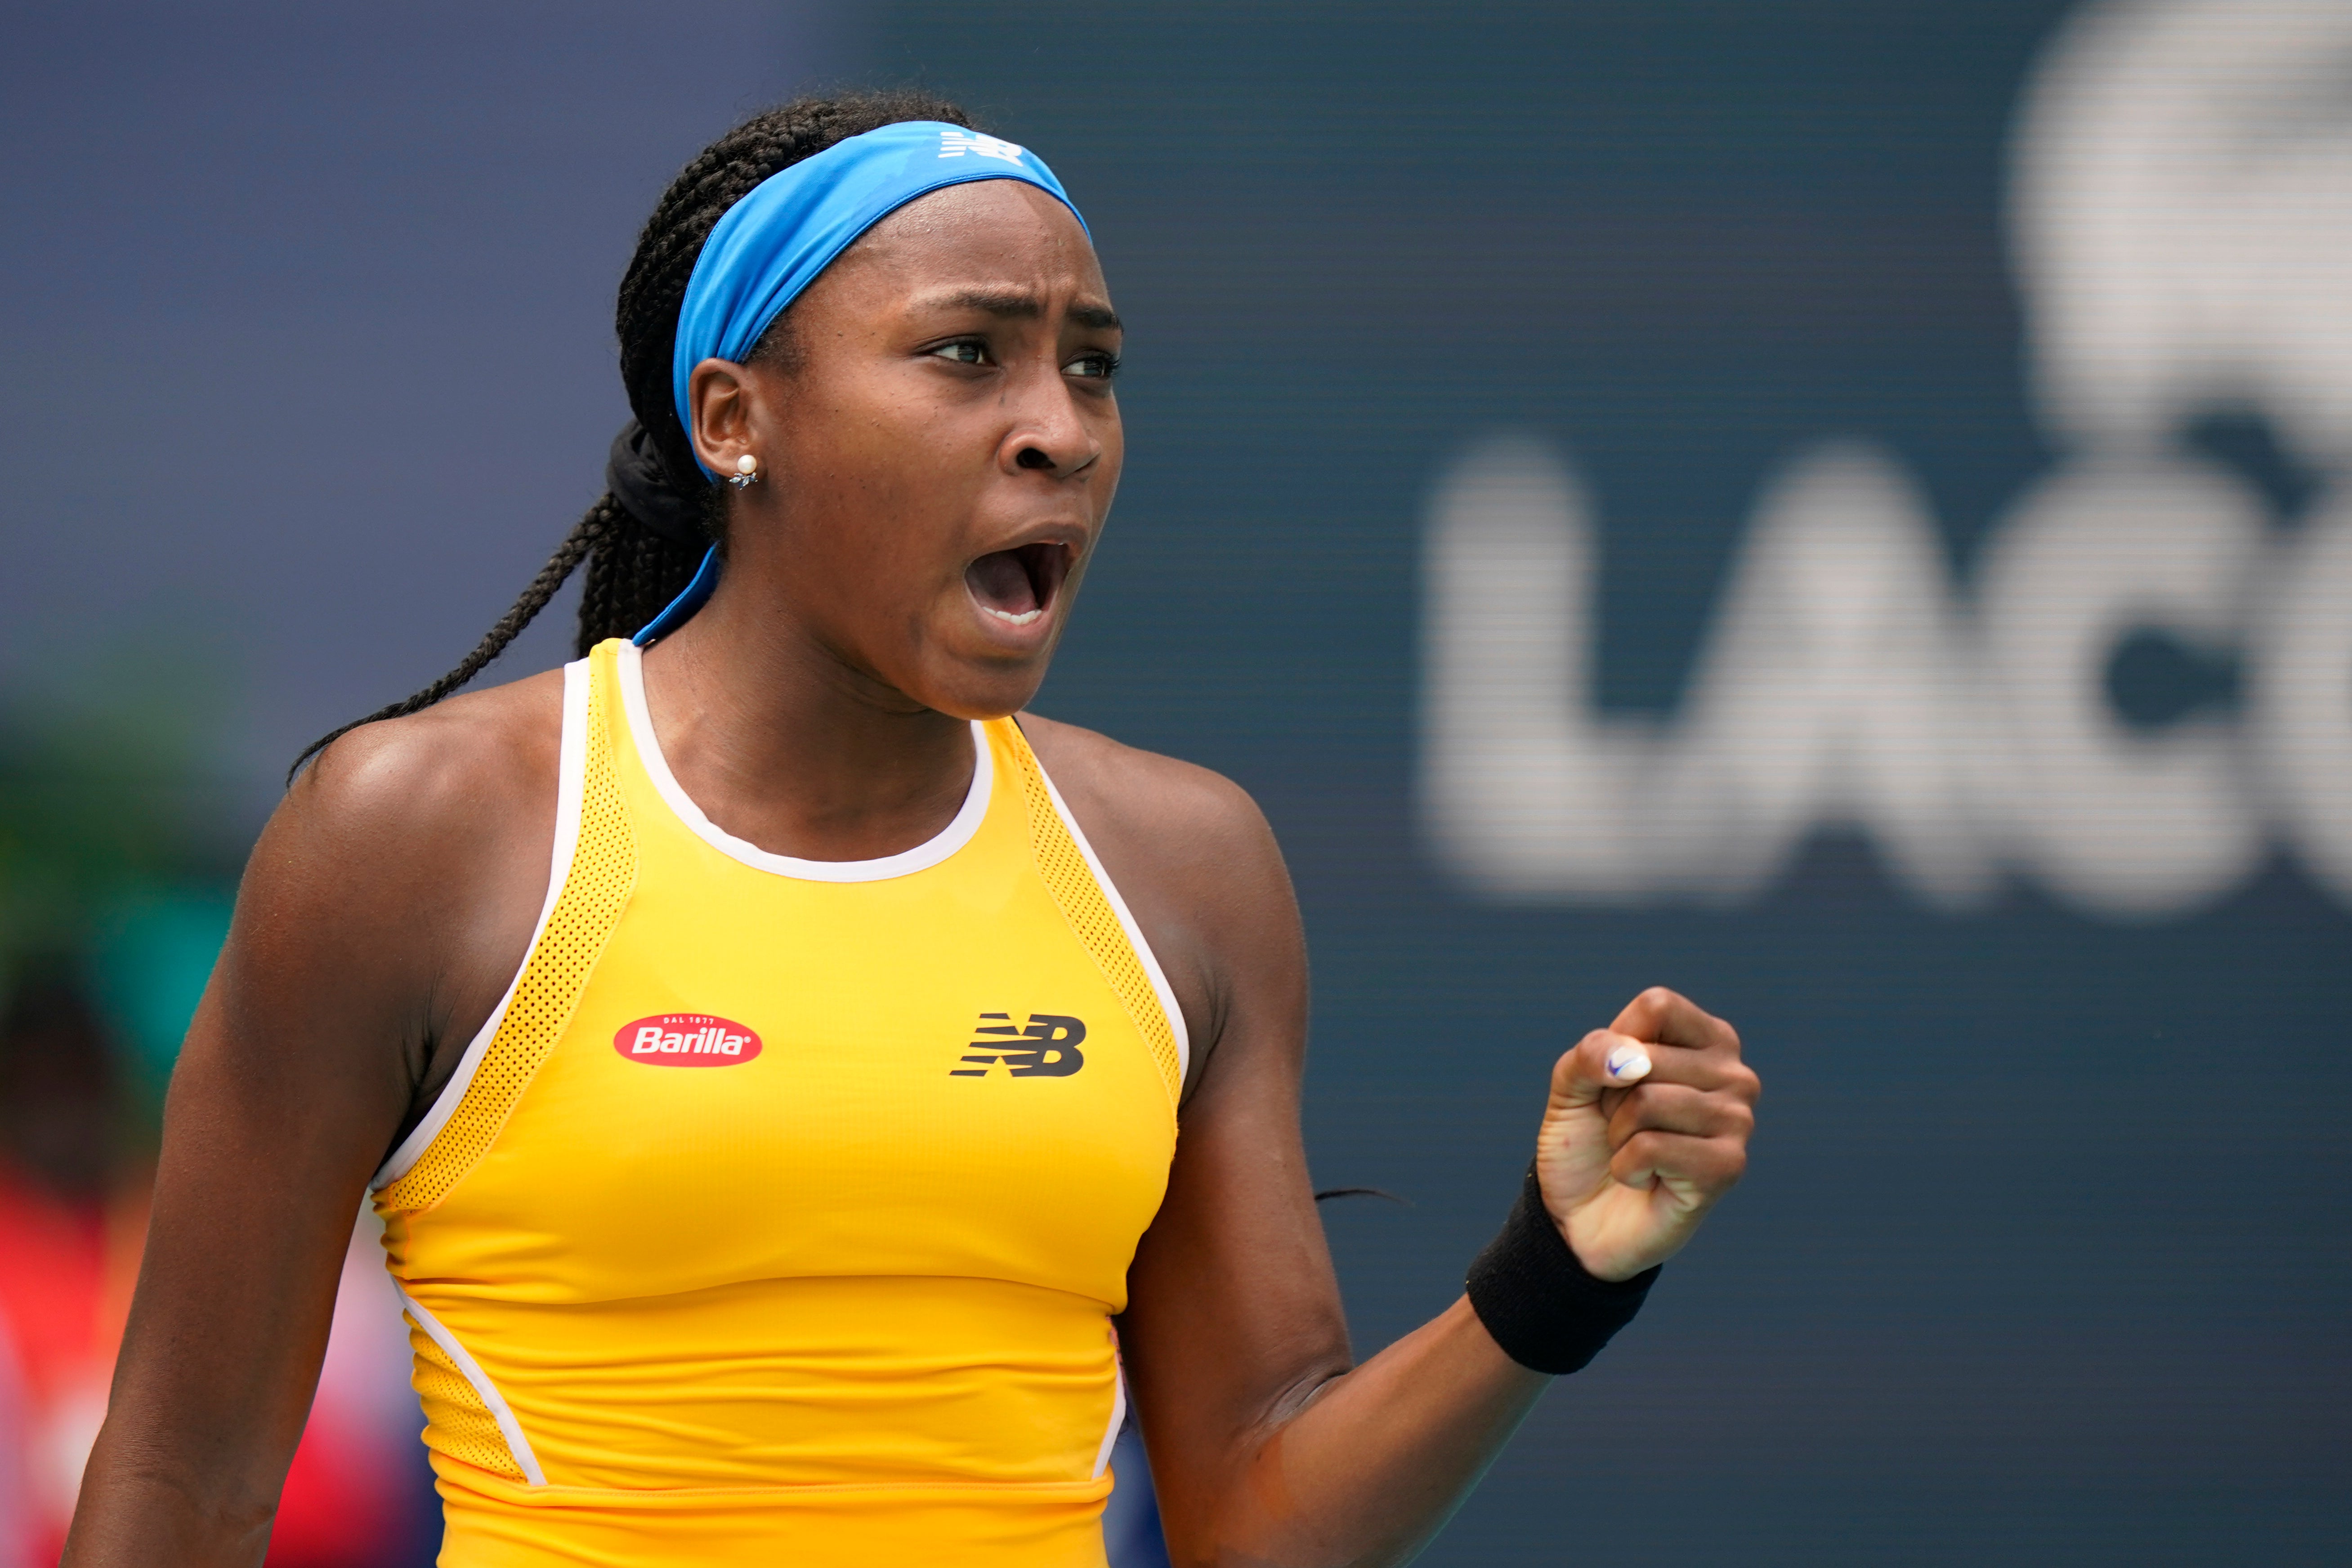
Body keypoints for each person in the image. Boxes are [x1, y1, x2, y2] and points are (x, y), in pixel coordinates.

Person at [63, 94, 1760, 1567]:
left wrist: (1556, 1280)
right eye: (969, 353)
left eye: (1093, 368)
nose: (1062, 429)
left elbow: (1255, 1516)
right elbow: (185, 1485)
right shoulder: (418, 831)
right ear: (736, 420)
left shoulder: (1186, 869)